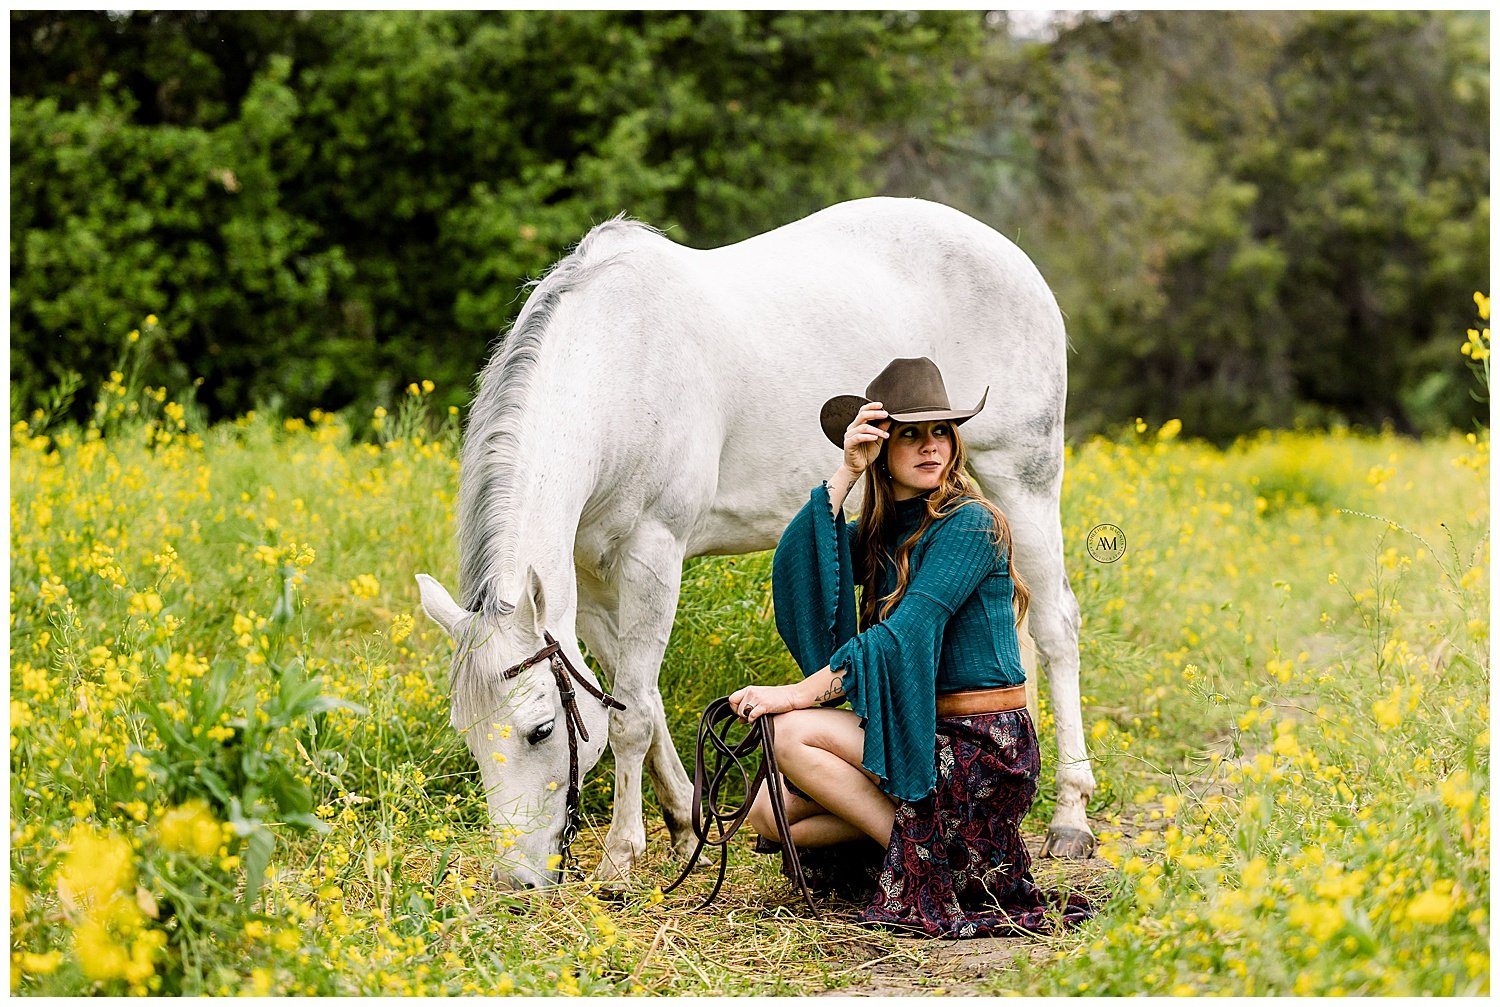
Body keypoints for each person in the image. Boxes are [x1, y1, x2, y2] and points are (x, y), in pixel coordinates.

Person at [728, 356, 1092, 939]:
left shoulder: (972, 523)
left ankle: (931, 864)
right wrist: (845, 473)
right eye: (910, 434)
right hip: (921, 734)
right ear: (881, 444)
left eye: (941, 432)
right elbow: (803, 564)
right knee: (767, 815)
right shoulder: (883, 529)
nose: (931, 447)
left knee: (788, 732)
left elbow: (905, 635)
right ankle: (925, 845)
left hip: (982, 746)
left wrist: (794, 694)